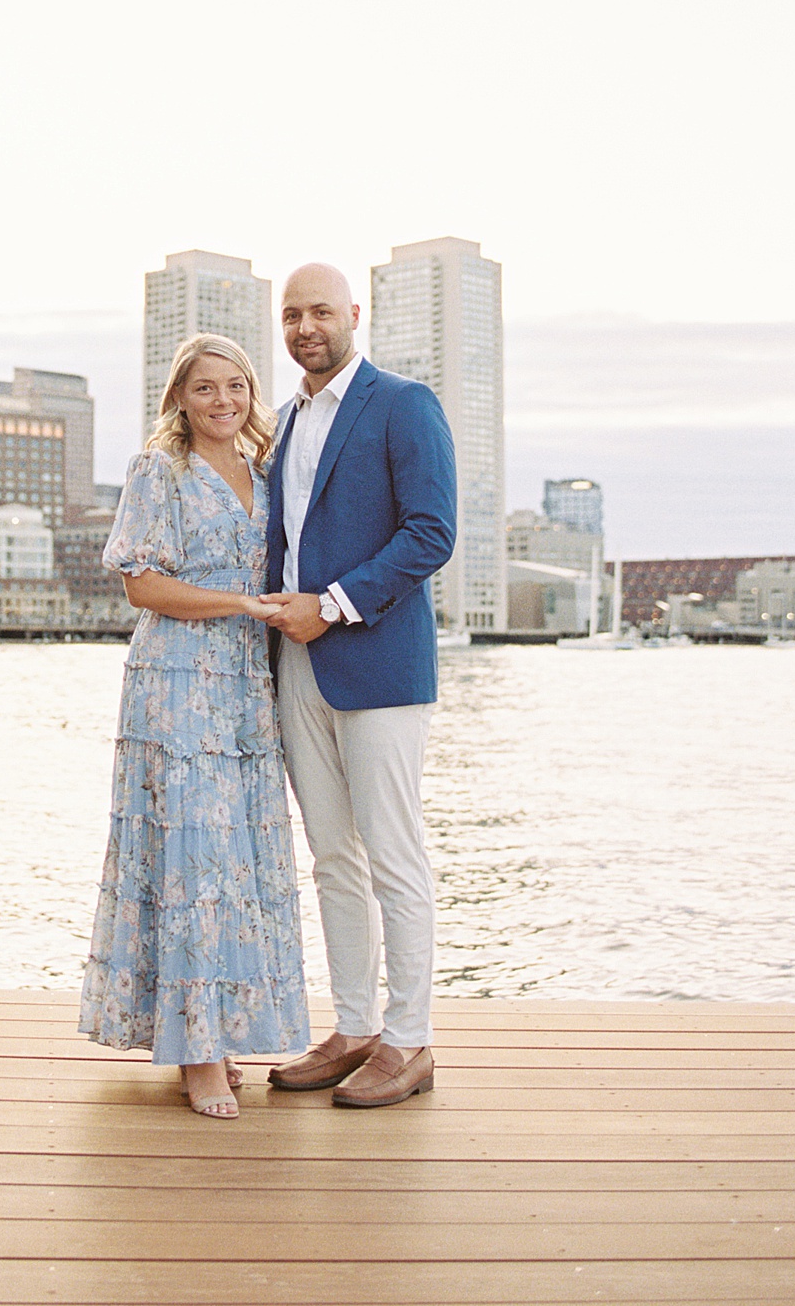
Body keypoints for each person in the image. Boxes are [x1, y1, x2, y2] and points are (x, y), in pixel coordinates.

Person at [78, 333, 310, 1119]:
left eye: (236, 387)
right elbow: (142, 586)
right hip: (176, 680)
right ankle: (198, 1054)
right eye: (205, 389)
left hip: (246, 683)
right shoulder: (159, 470)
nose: (223, 402)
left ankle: (218, 1030)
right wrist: (242, 604)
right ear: (180, 396)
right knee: (191, 856)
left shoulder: (267, 471)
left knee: (236, 857)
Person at [260, 262, 457, 1108]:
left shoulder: (402, 403)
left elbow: (431, 532)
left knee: (393, 856)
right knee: (331, 856)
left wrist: (331, 608)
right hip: (295, 662)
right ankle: (353, 1027)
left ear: (354, 314)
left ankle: (409, 1042)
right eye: (292, 314)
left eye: (321, 311)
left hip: (374, 660)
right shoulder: (285, 420)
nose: (306, 326)